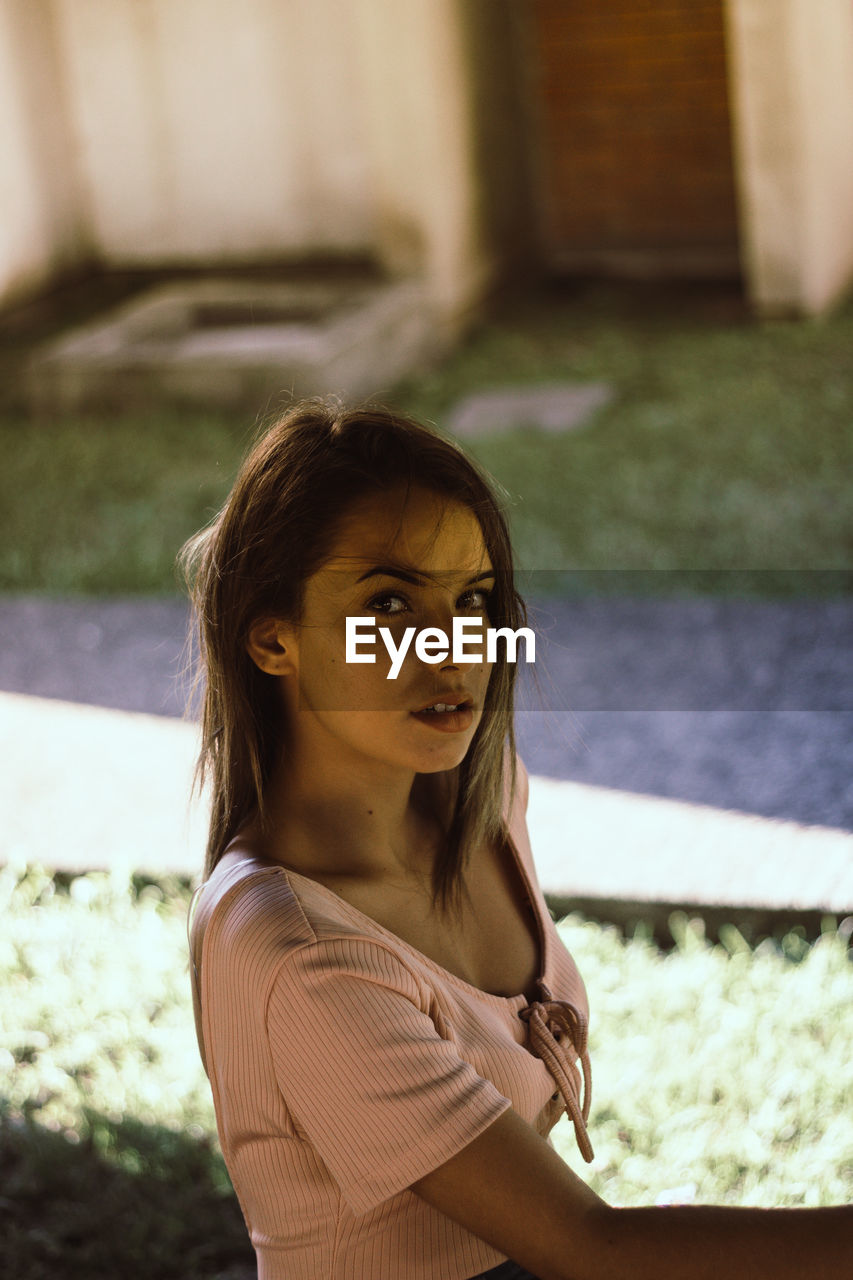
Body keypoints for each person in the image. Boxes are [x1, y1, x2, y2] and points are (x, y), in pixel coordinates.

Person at [184, 399, 851, 1280]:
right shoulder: (301, 954)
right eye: (387, 604)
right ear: (272, 637)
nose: (451, 648)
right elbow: (588, 1249)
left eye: (472, 598)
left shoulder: (481, 795)